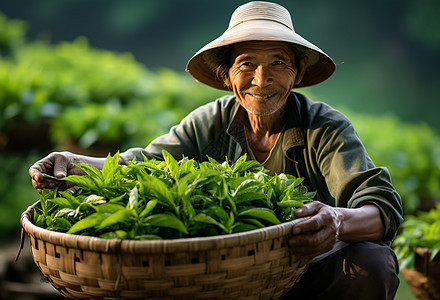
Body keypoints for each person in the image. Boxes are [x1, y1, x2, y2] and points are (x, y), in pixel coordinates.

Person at [29, 2, 403, 299]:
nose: (261, 79)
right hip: (223, 278)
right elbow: (142, 163)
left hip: (303, 272)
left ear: (297, 72)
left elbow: (380, 207)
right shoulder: (208, 123)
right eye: (247, 64)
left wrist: (335, 220)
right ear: (227, 75)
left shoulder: (323, 127)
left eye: (277, 63)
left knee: (373, 262)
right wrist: (75, 164)